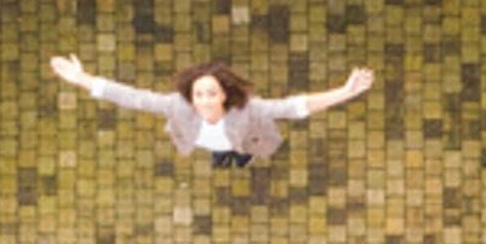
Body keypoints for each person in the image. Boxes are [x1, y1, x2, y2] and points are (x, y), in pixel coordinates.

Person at [49, 54, 374, 168]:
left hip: (247, 138)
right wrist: (83, 80)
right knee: (218, 153)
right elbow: (132, 97)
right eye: (198, 94)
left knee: (243, 151)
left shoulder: (249, 111)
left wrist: (344, 93)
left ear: (223, 96)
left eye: (210, 93)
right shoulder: (177, 107)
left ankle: (238, 156)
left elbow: (295, 107)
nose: (203, 100)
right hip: (203, 142)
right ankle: (225, 157)